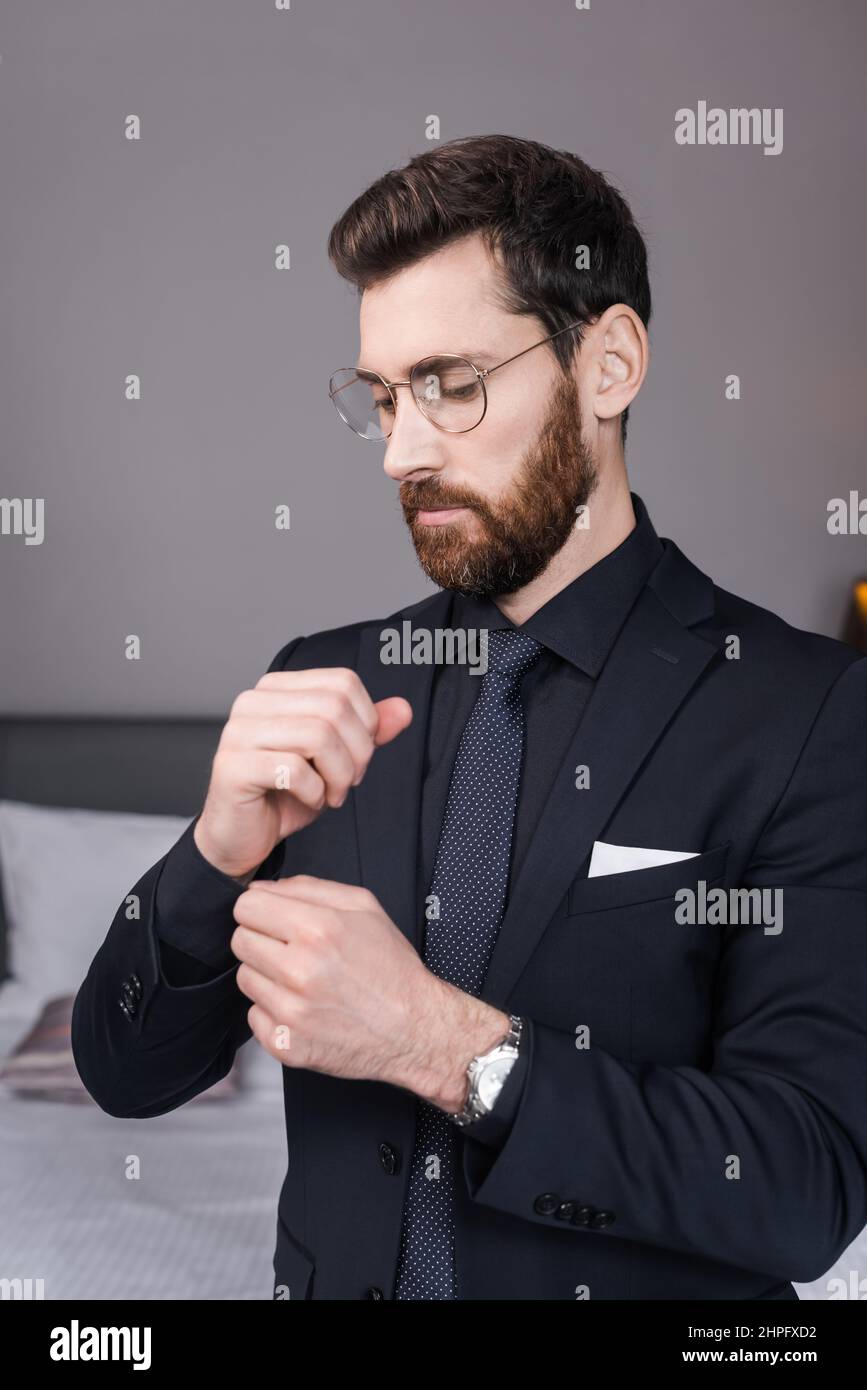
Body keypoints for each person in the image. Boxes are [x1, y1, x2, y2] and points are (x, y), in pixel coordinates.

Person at [72, 134, 867, 1301]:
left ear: (609, 364)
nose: (403, 448)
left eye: (452, 383)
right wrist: (212, 854)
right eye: (384, 396)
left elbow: (804, 1191)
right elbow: (124, 1072)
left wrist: (440, 1044)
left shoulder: (806, 709)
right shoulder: (323, 686)